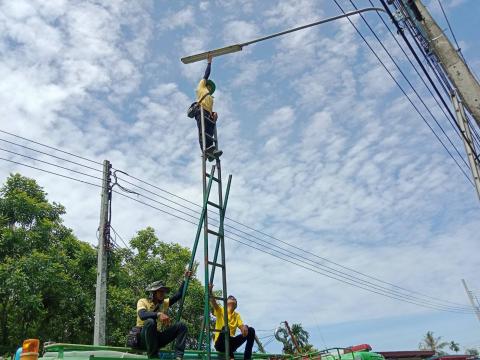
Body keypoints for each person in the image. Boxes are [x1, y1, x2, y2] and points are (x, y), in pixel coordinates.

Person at [136, 271, 192, 359]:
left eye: (164, 291)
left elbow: (178, 295)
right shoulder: (143, 301)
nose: (163, 293)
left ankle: (178, 356)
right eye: (160, 291)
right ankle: (153, 356)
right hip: (143, 338)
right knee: (150, 322)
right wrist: (158, 314)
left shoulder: (164, 303)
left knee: (181, 326)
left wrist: (185, 279)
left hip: (156, 339)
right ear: (153, 293)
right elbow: (142, 315)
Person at [209, 284, 256, 360]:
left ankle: (247, 358)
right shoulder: (220, 310)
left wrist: (245, 329)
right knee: (225, 328)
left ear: (236, 305)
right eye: (230, 298)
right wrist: (210, 291)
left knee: (251, 330)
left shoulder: (237, 315)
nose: (232, 298)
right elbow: (214, 303)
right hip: (220, 343)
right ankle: (230, 355)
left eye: (234, 298)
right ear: (226, 303)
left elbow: (242, 327)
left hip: (231, 343)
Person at [195, 54, 223, 161]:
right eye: (209, 86)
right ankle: (205, 151)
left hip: (207, 113)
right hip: (200, 110)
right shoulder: (201, 87)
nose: (210, 88)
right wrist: (209, 62)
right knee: (203, 131)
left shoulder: (211, 97)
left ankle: (211, 152)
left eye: (211, 87)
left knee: (210, 132)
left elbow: (210, 108)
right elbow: (206, 75)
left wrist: (213, 114)